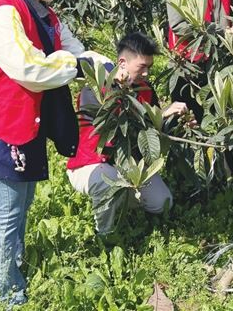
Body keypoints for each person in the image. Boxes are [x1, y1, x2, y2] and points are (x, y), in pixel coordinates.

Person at [0, 0, 110, 307]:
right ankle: (3, 291)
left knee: (21, 203)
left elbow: (75, 50)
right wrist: (77, 66)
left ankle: (14, 265)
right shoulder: (5, 13)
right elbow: (29, 69)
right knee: (8, 211)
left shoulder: (45, 13)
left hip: (24, 125)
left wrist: (109, 66)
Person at [66, 32, 187, 235]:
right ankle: (105, 234)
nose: (147, 73)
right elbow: (110, 130)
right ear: (122, 63)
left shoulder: (144, 88)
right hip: (92, 164)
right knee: (108, 182)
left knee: (162, 202)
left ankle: (123, 200)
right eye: (142, 67)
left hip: (129, 164)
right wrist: (121, 93)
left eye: (149, 66)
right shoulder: (96, 89)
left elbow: (153, 128)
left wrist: (176, 121)